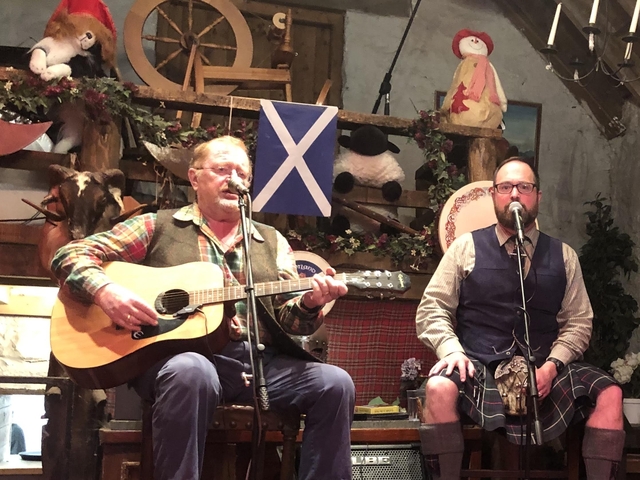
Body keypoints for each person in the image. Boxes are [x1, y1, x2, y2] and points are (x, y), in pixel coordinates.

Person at [52, 136, 356, 480]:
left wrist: (310, 303)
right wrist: (106, 292)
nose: (234, 178)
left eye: (241, 171)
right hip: (181, 359)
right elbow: (69, 254)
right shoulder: (157, 226)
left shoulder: (271, 241)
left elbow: (287, 321)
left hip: (260, 364)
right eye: (221, 169)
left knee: (335, 383)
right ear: (195, 178)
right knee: (192, 371)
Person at [415, 157, 624, 480]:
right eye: (505, 187)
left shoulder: (564, 255)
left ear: (537, 196)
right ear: (494, 196)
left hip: (544, 369)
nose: (515, 194)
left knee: (610, 393)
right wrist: (452, 351)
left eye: (524, 187)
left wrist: (553, 365)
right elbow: (433, 308)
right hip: (480, 369)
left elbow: (579, 322)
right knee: (439, 387)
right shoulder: (464, 248)